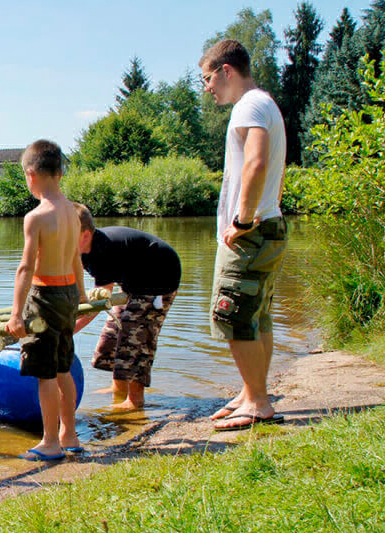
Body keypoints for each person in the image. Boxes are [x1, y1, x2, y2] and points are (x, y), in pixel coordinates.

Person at [199, 39, 288, 431]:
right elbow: (274, 171)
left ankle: (258, 402)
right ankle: (253, 392)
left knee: (232, 315)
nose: (207, 88)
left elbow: (256, 161)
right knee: (257, 316)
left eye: (208, 78)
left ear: (226, 70)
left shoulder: (249, 105)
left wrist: (243, 220)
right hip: (269, 224)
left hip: (251, 231)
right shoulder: (266, 104)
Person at [6, 139, 86, 461]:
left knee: (46, 373)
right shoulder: (73, 212)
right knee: (64, 367)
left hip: (44, 298)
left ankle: (50, 442)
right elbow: (77, 261)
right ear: (60, 173)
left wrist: (15, 314)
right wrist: (80, 293)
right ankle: (70, 434)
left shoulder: (36, 216)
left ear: (31, 174)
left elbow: (26, 267)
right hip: (68, 295)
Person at [73, 204, 180, 410]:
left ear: (85, 235)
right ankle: (118, 390)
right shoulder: (81, 250)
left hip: (159, 280)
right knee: (113, 334)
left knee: (134, 334)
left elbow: (96, 306)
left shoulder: (102, 251)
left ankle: (135, 400)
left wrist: (68, 331)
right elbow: (81, 297)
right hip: (134, 282)